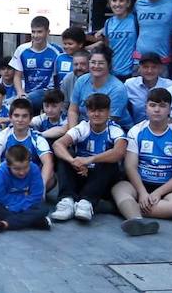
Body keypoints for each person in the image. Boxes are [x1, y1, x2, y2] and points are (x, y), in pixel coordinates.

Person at [111, 88, 172, 237]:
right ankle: (137, 220)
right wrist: (142, 192)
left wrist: (158, 193)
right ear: (146, 108)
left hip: (168, 188)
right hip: (139, 184)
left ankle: (125, 208)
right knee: (119, 188)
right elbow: (130, 166)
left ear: (170, 109)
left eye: (162, 106)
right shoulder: (136, 131)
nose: (157, 110)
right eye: (153, 105)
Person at [50, 93, 126, 223]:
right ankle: (67, 200)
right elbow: (58, 144)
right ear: (87, 112)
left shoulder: (114, 129)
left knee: (109, 159)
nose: (96, 114)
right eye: (92, 110)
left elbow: (119, 152)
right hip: (82, 173)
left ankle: (87, 202)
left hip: (103, 181)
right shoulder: (82, 127)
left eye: (101, 110)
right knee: (65, 154)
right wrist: (73, 161)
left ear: (108, 112)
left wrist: (89, 160)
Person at [0, 145, 52, 233]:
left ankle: (4, 224)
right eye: (17, 169)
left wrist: (18, 204)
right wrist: (22, 202)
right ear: (8, 165)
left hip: (20, 206)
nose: (22, 172)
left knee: (43, 208)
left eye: (25, 167)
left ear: (29, 162)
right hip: (10, 206)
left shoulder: (34, 169)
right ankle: (35, 222)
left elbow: (36, 195)